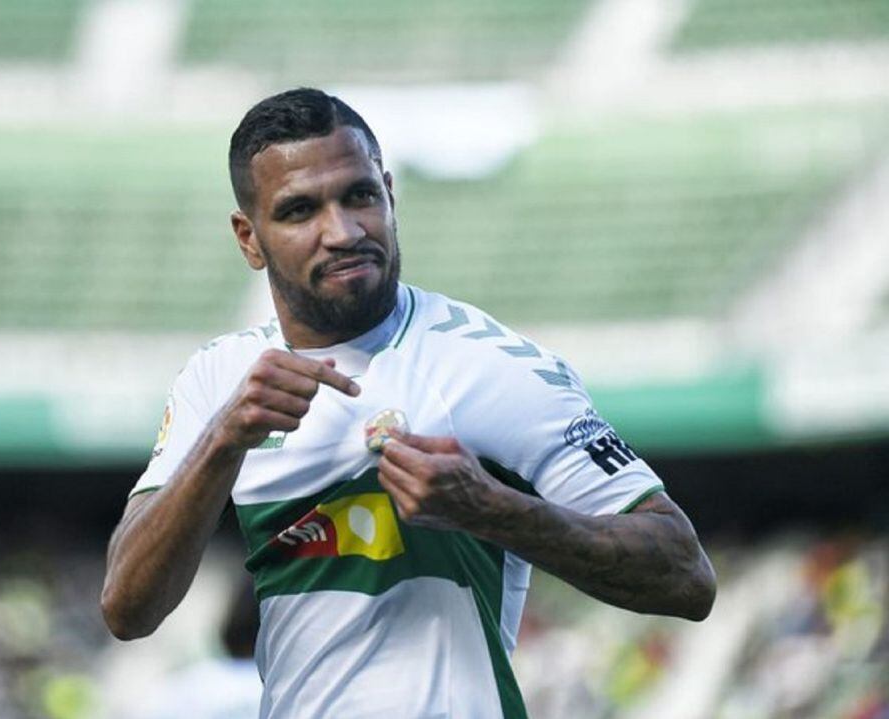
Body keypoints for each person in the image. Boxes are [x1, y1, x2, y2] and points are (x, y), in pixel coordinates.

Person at [101, 87, 716, 718]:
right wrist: (224, 439)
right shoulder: (219, 379)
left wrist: (493, 509)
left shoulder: (492, 366)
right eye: (299, 211)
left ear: (390, 195)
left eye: (359, 195)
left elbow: (685, 574)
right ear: (249, 238)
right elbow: (127, 607)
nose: (341, 231)